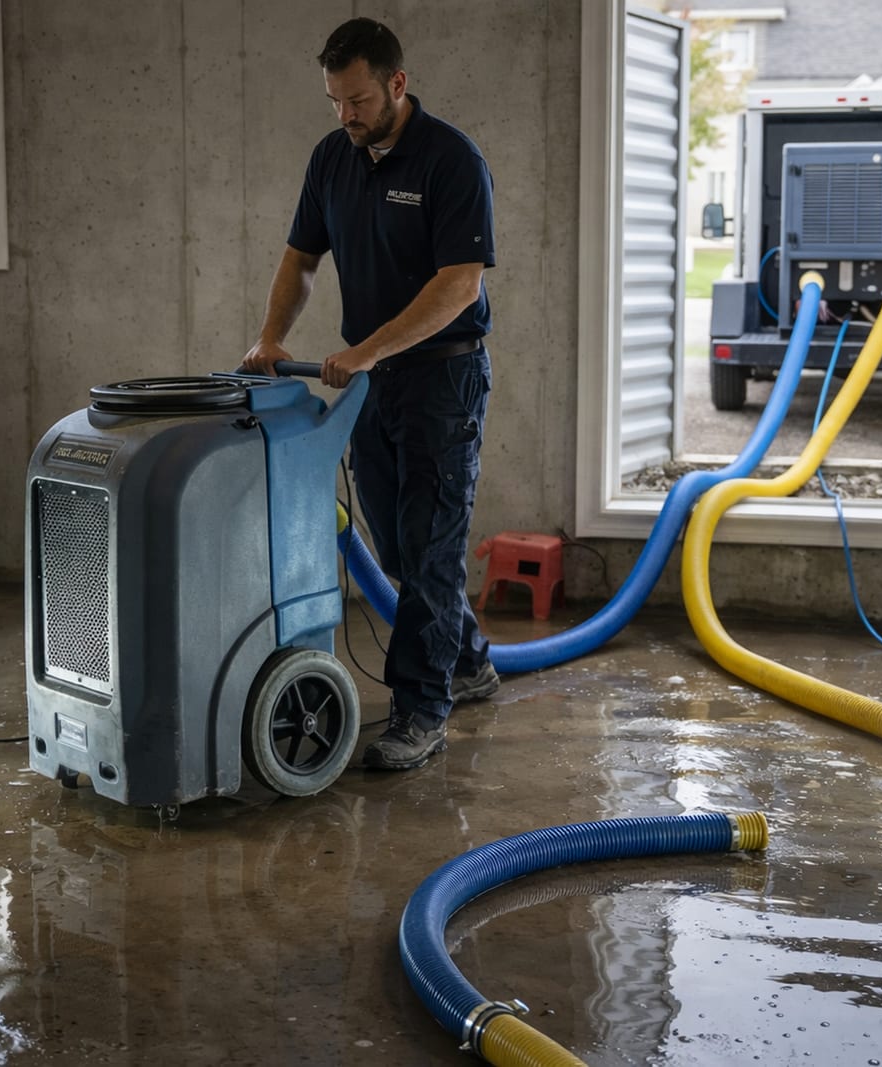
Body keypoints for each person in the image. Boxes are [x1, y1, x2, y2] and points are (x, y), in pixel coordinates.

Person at [241, 17, 499, 771]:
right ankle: (469, 660)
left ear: (396, 84)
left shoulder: (452, 161)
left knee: (431, 545)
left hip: (442, 378)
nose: (345, 116)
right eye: (334, 103)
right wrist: (271, 337)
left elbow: (459, 286)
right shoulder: (333, 159)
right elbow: (301, 260)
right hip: (372, 384)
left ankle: (422, 712)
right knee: (396, 542)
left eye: (356, 101)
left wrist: (365, 350)